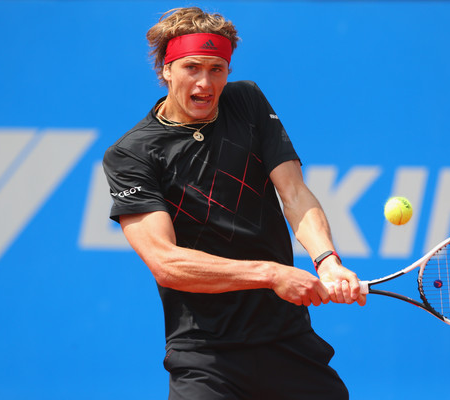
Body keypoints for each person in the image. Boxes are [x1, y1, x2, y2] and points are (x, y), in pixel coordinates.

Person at [102, 7, 366, 400]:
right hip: (205, 355)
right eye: (192, 67)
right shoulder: (132, 154)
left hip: (286, 341)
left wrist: (327, 259)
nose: (205, 82)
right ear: (166, 69)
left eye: (217, 69)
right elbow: (166, 263)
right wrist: (271, 274)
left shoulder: (247, 103)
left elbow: (293, 192)